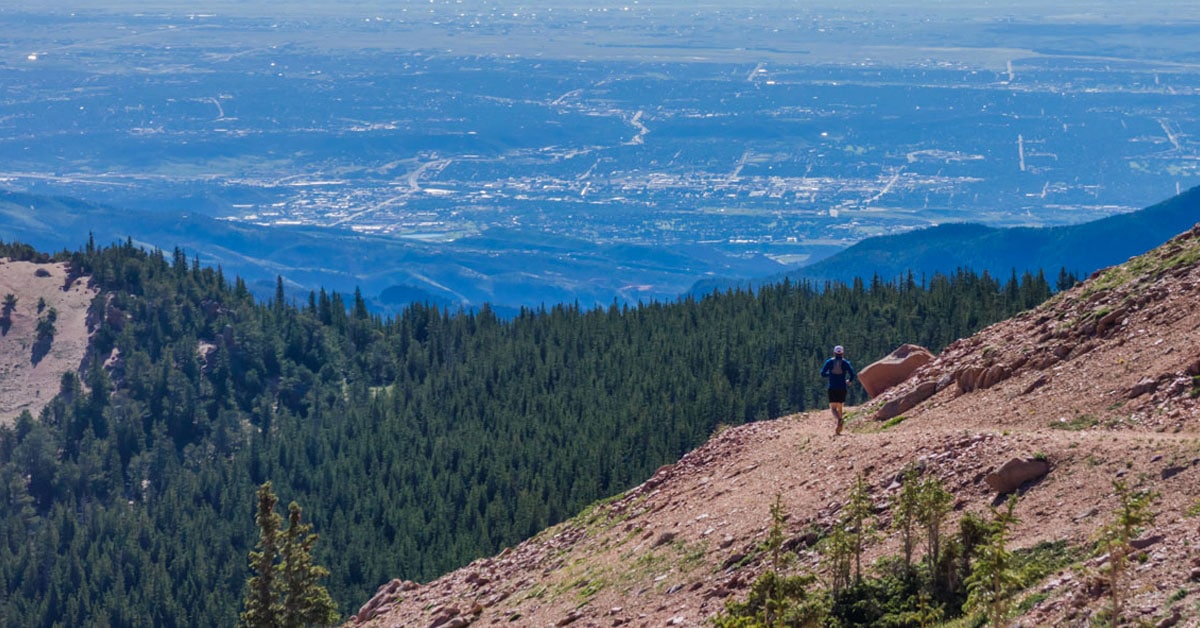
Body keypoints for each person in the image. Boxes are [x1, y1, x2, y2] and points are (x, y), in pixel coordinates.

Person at [820, 345, 857, 435]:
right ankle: (840, 427)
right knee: (840, 405)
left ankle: (839, 420)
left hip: (832, 387)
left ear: (834, 353)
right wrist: (849, 381)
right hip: (842, 387)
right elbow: (852, 374)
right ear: (842, 353)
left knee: (833, 408)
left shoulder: (829, 362)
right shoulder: (845, 363)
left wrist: (831, 374)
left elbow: (822, 373)